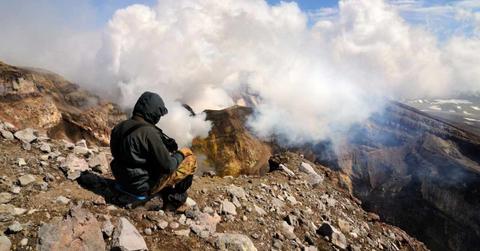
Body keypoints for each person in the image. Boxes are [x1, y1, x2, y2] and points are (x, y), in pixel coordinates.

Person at [110, 91, 197, 208]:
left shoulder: (120, 126)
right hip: (141, 186)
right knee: (190, 158)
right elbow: (168, 166)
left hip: (122, 179)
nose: (159, 117)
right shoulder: (149, 133)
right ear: (153, 111)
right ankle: (177, 196)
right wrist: (181, 153)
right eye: (159, 114)